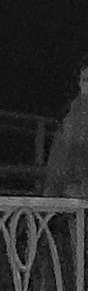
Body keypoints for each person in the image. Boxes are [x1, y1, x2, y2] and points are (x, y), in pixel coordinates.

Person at [42, 61, 88, 200]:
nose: (83, 85)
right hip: (74, 187)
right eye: (84, 80)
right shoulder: (78, 112)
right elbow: (72, 148)